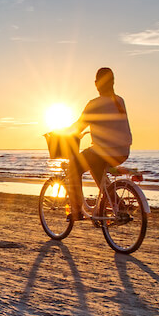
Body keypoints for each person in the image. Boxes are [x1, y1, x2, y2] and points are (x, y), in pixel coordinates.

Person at [60, 67, 132, 221]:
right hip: (123, 151)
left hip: (103, 151)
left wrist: (61, 132)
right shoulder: (119, 101)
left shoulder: (94, 104)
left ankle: (76, 210)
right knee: (96, 168)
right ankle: (118, 206)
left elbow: (78, 127)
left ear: (96, 84)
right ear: (113, 82)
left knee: (74, 166)